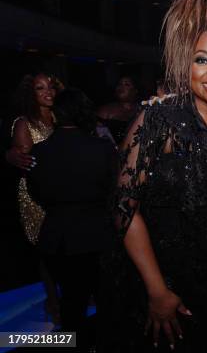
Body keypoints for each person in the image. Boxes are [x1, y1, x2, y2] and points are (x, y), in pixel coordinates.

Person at [100, 0, 207, 352]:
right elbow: (124, 209)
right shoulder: (158, 120)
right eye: (202, 60)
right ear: (186, 64)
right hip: (170, 289)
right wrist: (157, 290)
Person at [28, 88, 116, 351]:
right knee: (105, 301)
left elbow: (36, 191)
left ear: (56, 115)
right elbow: (114, 190)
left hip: (57, 236)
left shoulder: (41, 151)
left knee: (71, 304)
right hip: (96, 234)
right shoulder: (101, 149)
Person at [6, 72, 61, 324]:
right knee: (47, 251)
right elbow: (26, 162)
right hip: (36, 196)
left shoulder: (64, 116)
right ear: (32, 93)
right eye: (40, 88)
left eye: (51, 86)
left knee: (70, 248)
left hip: (66, 193)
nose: (48, 92)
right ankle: (53, 300)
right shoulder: (23, 123)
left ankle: (76, 294)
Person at [97, 76, 140, 145]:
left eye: (127, 84)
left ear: (135, 90)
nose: (121, 87)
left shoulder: (141, 110)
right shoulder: (105, 110)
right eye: (119, 84)